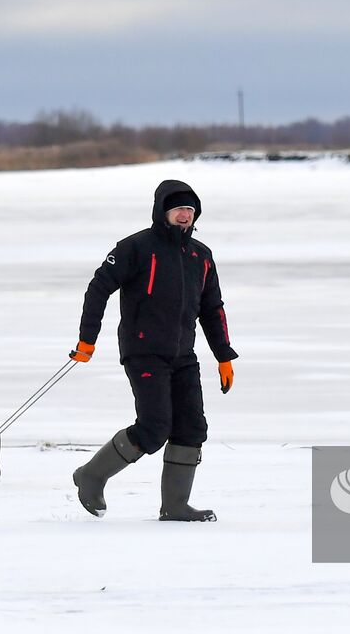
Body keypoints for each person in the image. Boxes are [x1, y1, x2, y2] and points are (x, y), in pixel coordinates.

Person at [67, 180, 238, 521]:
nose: (184, 215)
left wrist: (224, 356)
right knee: (154, 427)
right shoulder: (136, 248)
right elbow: (98, 288)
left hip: (183, 356)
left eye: (190, 210)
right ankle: (91, 475)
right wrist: (88, 339)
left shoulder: (200, 256)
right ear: (163, 211)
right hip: (143, 350)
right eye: (178, 209)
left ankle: (174, 506)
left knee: (191, 427)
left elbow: (212, 307)